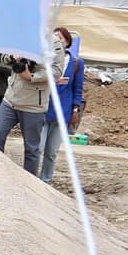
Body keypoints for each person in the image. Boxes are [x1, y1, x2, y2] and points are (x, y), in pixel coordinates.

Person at [0, 54, 51, 176]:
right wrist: (12, 56)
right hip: (10, 100)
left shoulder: (52, 46)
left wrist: (31, 76)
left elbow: (56, 72)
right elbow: (3, 58)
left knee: (31, 149)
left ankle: (30, 182)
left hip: (33, 106)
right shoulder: (21, 40)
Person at [41, 28, 85, 183]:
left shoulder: (76, 63)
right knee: (37, 148)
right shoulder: (45, 59)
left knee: (51, 151)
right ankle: (30, 178)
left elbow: (78, 88)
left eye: (60, 38)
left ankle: (45, 180)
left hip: (63, 111)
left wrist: (75, 109)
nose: (57, 41)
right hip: (43, 107)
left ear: (67, 42)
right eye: (54, 38)